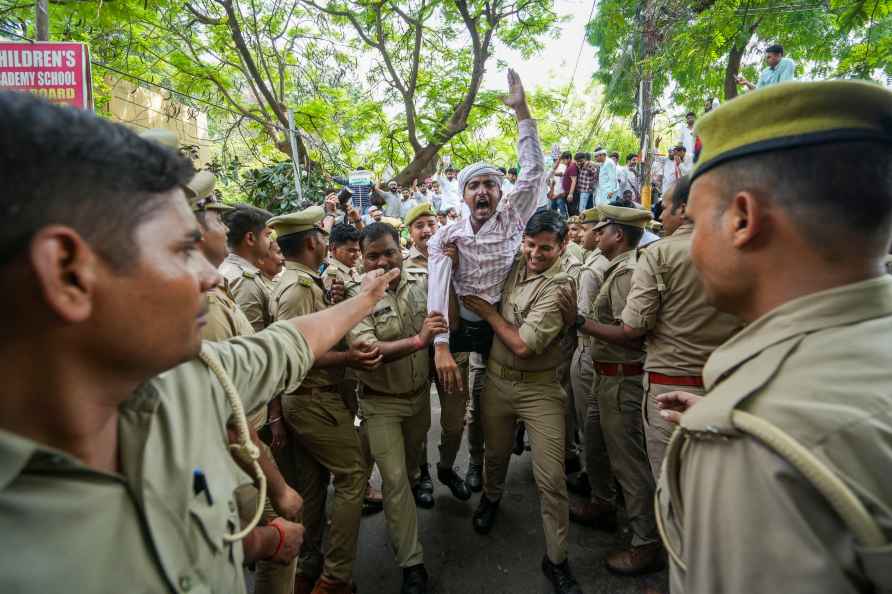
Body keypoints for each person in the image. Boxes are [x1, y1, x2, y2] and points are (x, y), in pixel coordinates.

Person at [0, 89, 401, 594]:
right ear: (68, 273)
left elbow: (288, 343)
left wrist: (365, 300)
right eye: (181, 247)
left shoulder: (191, 381)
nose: (211, 278)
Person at [655, 80, 892, 593]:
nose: (689, 244)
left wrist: (741, 423)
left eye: (693, 222)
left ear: (743, 218)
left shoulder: (756, 445)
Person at [188, 170, 302, 594]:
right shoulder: (209, 300)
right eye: (214, 215)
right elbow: (227, 410)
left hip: (245, 445)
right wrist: (276, 484)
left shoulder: (219, 286)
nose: (223, 223)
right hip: (238, 456)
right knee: (279, 537)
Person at [462, 210, 583, 594]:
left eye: (545, 248)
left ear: (562, 246)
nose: (534, 254)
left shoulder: (560, 285)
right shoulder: (516, 261)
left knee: (550, 479)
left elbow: (523, 345)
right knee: (494, 455)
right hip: (498, 382)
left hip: (540, 390)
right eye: (529, 245)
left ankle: (557, 558)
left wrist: (487, 312)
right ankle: (491, 499)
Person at [267, 207, 380, 594]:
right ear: (315, 242)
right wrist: (349, 357)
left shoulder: (300, 282)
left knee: (313, 488)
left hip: (303, 399)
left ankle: (307, 566)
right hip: (312, 398)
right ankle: (335, 577)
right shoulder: (298, 289)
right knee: (352, 476)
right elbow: (301, 351)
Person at [345, 223, 449, 594]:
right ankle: (412, 564)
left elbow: (444, 324)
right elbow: (368, 353)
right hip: (380, 405)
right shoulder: (357, 300)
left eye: (388, 252)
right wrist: (418, 339)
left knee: (407, 470)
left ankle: (405, 536)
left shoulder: (422, 283)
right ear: (361, 258)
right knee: (394, 482)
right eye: (372, 255)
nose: (382, 261)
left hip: (418, 401)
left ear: (401, 250)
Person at [426, 69, 544, 397]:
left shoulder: (511, 217)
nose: (482, 191)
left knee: (500, 393)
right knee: (462, 393)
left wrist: (522, 111)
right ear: (463, 196)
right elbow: (436, 286)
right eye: (474, 186)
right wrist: (441, 345)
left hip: (502, 321)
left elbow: (533, 172)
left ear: (500, 192)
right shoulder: (447, 236)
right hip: (460, 323)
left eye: (490, 184)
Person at [571, 203, 664, 575]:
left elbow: (633, 336)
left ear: (617, 235)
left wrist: (579, 323)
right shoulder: (614, 267)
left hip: (622, 377)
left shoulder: (627, 274)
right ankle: (602, 504)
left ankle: (646, 543)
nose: (595, 234)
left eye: (602, 229)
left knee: (628, 463)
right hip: (604, 375)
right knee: (594, 443)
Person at [403, 203, 476, 500]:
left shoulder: (460, 258)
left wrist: (458, 267)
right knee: (418, 421)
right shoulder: (401, 266)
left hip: (455, 350)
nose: (427, 230)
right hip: (418, 353)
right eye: (419, 226)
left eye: (431, 223)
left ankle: (446, 467)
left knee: (455, 421)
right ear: (410, 234)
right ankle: (422, 476)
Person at [566, 208, 615, 500]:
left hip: (589, 350)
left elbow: (580, 316)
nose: (580, 234)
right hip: (604, 352)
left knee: (589, 425)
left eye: (585, 229)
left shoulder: (592, 269)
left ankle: (595, 483)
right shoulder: (606, 261)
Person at [220, 204, 276, 331]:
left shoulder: (228, 268)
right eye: (267, 235)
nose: (271, 242)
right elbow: (252, 340)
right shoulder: (245, 281)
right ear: (250, 238)